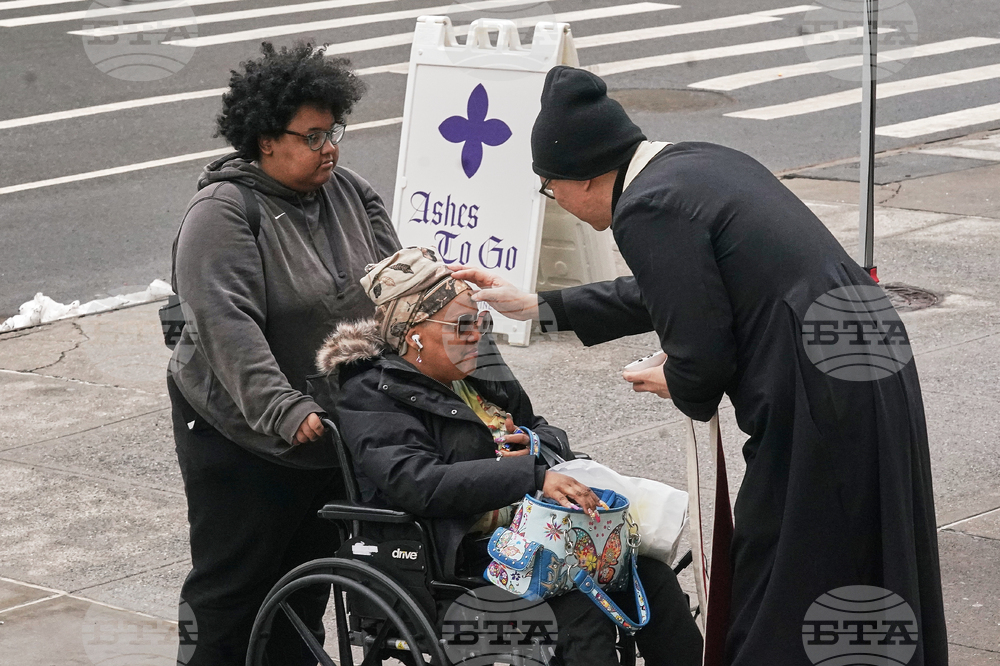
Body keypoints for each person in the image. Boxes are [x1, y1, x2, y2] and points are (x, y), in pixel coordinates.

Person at [453, 66, 947, 665]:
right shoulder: (694, 163)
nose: (554, 200)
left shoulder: (644, 209)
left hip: (818, 390)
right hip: (862, 354)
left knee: (786, 562)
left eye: (548, 186)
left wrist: (675, 378)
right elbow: (674, 289)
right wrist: (540, 307)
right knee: (862, 538)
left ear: (583, 176)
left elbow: (702, 359)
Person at [316, 247, 704, 666]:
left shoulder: (478, 366)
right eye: (463, 326)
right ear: (415, 335)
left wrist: (534, 446)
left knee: (652, 579)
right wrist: (530, 476)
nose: (477, 336)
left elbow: (542, 428)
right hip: (453, 579)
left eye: (481, 322)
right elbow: (418, 482)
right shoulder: (370, 393)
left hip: (537, 544)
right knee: (579, 613)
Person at [166, 43, 400, 665]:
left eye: (334, 131)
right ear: (266, 140)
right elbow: (225, 326)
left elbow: (396, 289)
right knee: (231, 587)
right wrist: (283, 408)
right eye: (312, 136)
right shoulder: (222, 214)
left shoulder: (351, 193)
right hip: (238, 429)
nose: (330, 148)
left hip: (329, 422)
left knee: (306, 582)